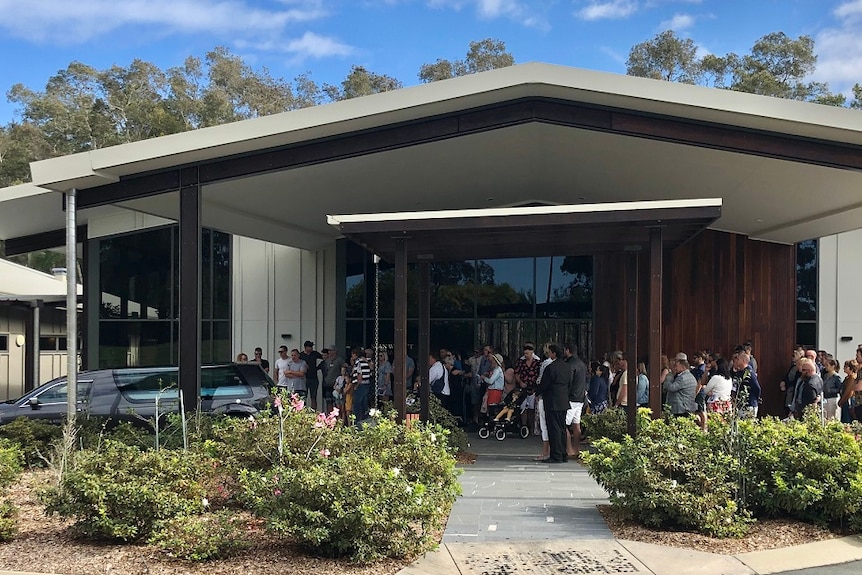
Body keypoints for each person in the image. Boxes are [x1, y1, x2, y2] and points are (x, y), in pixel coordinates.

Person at [535, 344, 572, 464]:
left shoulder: (551, 368)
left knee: (553, 428)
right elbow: (570, 383)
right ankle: (563, 453)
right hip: (563, 400)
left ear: (554, 353)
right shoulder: (567, 367)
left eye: (550, 352)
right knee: (561, 428)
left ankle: (555, 455)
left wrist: (537, 392)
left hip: (552, 401)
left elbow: (544, 384)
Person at [564, 342, 587, 459]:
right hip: (580, 398)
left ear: (567, 350)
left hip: (571, 398)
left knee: (563, 425)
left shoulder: (569, 364)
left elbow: (568, 381)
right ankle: (577, 449)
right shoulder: (582, 364)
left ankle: (569, 450)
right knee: (576, 425)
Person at [350, 347, 372, 424]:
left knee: (357, 404)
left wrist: (356, 385)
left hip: (360, 385)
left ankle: (358, 422)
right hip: (366, 383)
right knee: (364, 403)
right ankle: (364, 420)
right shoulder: (367, 361)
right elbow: (372, 367)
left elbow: (359, 374)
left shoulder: (358, 362)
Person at [299, 341, 323, 410]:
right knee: (304, 397)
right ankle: (303, 411)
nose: (312, 348)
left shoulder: (315, 354)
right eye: (310, 347)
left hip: (314, 378)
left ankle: (313, 412)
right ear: (306, 347)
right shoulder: (301, 355)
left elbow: (323, 358)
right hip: (304, 378)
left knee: (313, 397)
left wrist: (318, 367)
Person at [321, 345, 344, 413]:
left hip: (336, 385)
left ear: (335, 351)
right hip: (327, 384)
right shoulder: (327, 361)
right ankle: (329, 417)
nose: (329, 352)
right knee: (328, 401)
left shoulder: (339, 360)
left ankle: (337, 417)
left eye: (331, 350)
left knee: (337, 402)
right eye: (329, 351)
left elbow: (344, 368)